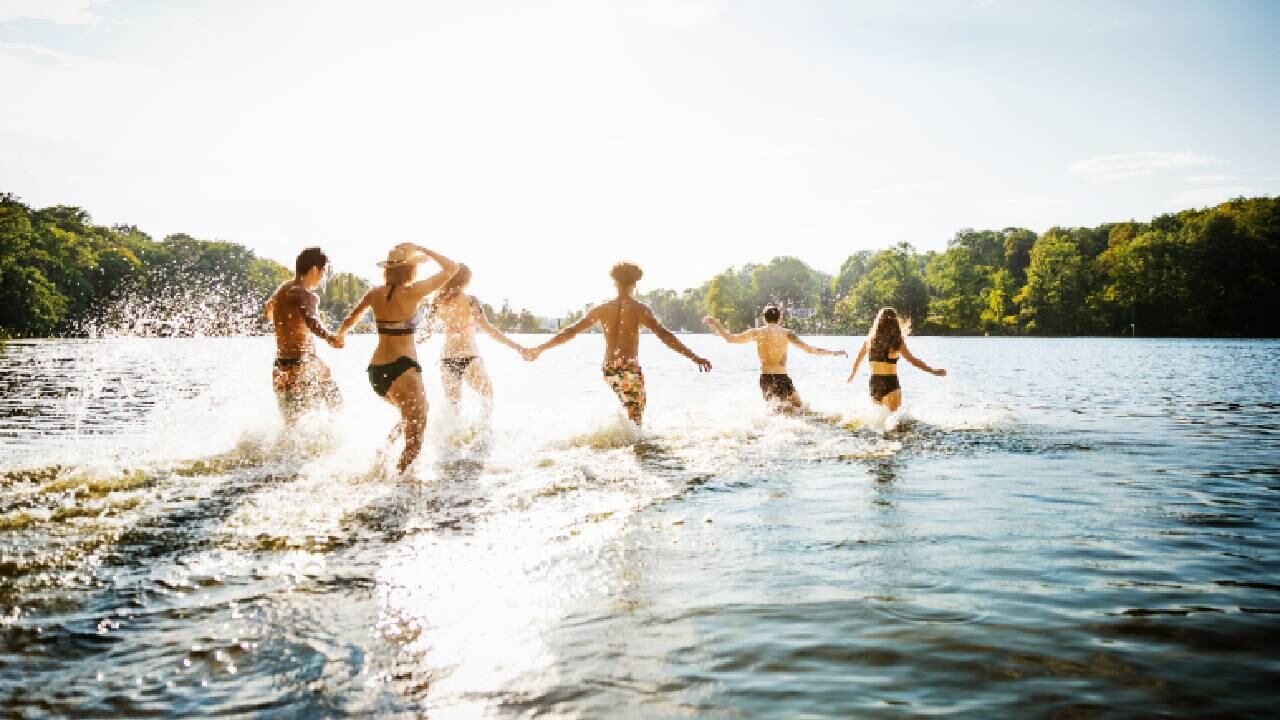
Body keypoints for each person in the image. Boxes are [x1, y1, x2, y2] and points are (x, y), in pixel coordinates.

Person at [527, 262, 711, 425]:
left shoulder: (601, 309)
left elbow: (570, 332)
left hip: (608, 368)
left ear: (614, 283)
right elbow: (664, 335)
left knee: (630, 411)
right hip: (628, 367)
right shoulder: (639, 309)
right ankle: (634, 453)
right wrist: (694, 357)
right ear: (634, 284)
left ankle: (621, 443)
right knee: (637, 416)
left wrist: (540, 348)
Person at [335, 243, 458, 473]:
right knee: (415, 440)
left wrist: (339, 337)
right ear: (410, 270)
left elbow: (349, 321)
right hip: (404, 369)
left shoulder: (374, 293)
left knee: (412, 413)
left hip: (376, 371)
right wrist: (425, 250)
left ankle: (382, 455)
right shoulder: (414, 291)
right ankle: (401, 489)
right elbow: (452, 267)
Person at [424, 264, 530, 413]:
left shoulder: (437, 301)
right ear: (466, 281)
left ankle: (452, 436)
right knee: (487, 395)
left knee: (453, 407)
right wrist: (518, 347)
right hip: (469, 357)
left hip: (447, 359)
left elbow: (425, 333)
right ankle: (483, 432)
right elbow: (489, 330)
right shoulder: (470, 301)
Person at [703, 305, 846, 413]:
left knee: (780, 410)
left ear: (764, 319)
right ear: (780, 318)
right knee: (797, 408)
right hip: (782, 377)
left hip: (765, 377)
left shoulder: (757, 333)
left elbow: (730, 338)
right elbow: (809, 349)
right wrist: (833, 352)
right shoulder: (786, 333)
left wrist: (716, 324)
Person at [264, 246, 344, 424]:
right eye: (323, 271)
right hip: (303, 365)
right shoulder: (306, 295)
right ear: (315, 269)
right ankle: (332, 446)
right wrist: (330, 337)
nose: (323, 276)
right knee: (336, 405)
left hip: (280, 367)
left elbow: (267, 311)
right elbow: (312, 321)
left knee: (291, 426)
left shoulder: (283, 288)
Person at [846, 307, 946, 411]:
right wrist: (932, 370)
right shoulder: (897, 342)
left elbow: (858, 360)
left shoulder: (869, 341)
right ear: (894, 322)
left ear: (878, 322)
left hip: (874, 383)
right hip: (890, 382)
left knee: (879, 420)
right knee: (894, 420)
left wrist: (852, 375)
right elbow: (913, 360)